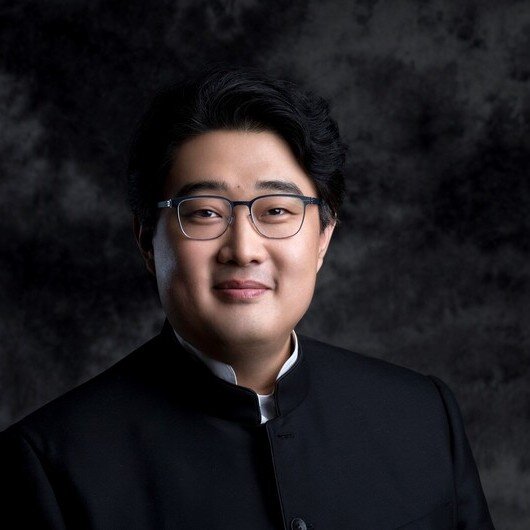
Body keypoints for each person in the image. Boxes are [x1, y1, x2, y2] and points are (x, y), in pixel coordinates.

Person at [0, 68, 494, 529]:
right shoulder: (49, 464)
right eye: (205, 212)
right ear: (147, 239)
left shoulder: (423, 417)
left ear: (323, 237)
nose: (242, 249)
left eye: (276, 210)